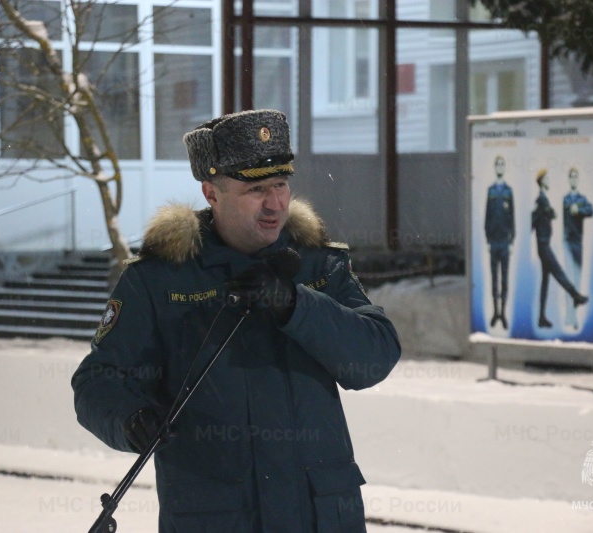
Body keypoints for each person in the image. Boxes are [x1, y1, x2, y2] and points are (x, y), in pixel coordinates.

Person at [71, 109, 401, 532]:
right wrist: (129, 418)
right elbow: (98, 380)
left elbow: (374, 358)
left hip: (319, 516)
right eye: (256, 189)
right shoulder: (158, 279)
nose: (275, 203)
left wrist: (297, 306)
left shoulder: (318, 264)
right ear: (211, 193)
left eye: (281, 184)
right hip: (216, 516)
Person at [531, 169, 588, 328]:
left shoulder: (543, 200)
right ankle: (575, 295)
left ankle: (541, 317)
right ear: (542, 181)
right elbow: (540, 217)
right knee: (558, 272)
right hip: (543, 246)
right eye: (547, 178)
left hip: (544, 244)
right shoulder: (541, 199)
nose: (549, 181)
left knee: (545, 281)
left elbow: (546, 216)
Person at [484, 155, 515, 329]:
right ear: (495, 167)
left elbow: (512, 217)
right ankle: (495, 312)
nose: (500, 167)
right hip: (494, 241)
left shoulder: (509, 191)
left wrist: (512, 239)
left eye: (503, 164)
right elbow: (487, 215)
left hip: (504, 241)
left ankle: (503, 313)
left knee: (504, 279)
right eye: (498, 164)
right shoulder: (491, 191)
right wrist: (487, 237)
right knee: (494, 278)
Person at [562, 167, 593, 329]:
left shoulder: (581, 199)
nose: (574, 179)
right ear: (569, 180)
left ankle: (575, 318)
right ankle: (570, 317)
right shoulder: (565, 200)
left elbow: (591, 210)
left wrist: (579, 211)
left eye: (576, 176)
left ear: (578, 179)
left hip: (578, 244)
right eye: (571, 176)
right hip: (568, 243)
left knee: (577, 279)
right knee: (569, 281)